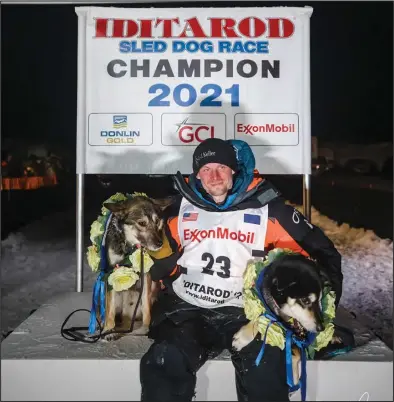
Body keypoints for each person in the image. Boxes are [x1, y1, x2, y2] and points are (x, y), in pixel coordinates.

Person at [140, 138, 343, 402]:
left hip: (247, 315)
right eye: (205, 169)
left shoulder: (270, 210)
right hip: (187, 310)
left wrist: (325, 303)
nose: (213, 176)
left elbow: (323, 254)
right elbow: (154, 251)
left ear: (233, 170)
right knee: (162, 362)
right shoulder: (180, 208)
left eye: (221, 168)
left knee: (265, 367)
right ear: (197, 174)